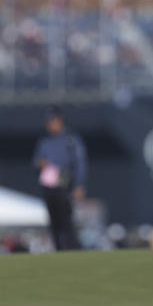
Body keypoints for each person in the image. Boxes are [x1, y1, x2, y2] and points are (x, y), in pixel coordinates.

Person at [33, 105, 87, 251]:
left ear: (60, 121)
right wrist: (41, 163)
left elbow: (79, 163)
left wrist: (78, 185)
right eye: (49, 122)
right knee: (54, 221)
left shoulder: (70, 139)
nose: (51, 124)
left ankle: (72, 249)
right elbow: (36, 161)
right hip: (49, 186)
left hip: (64, 182)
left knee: (66, 220)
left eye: (53, 121)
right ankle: (58, 250)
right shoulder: (44, 141)